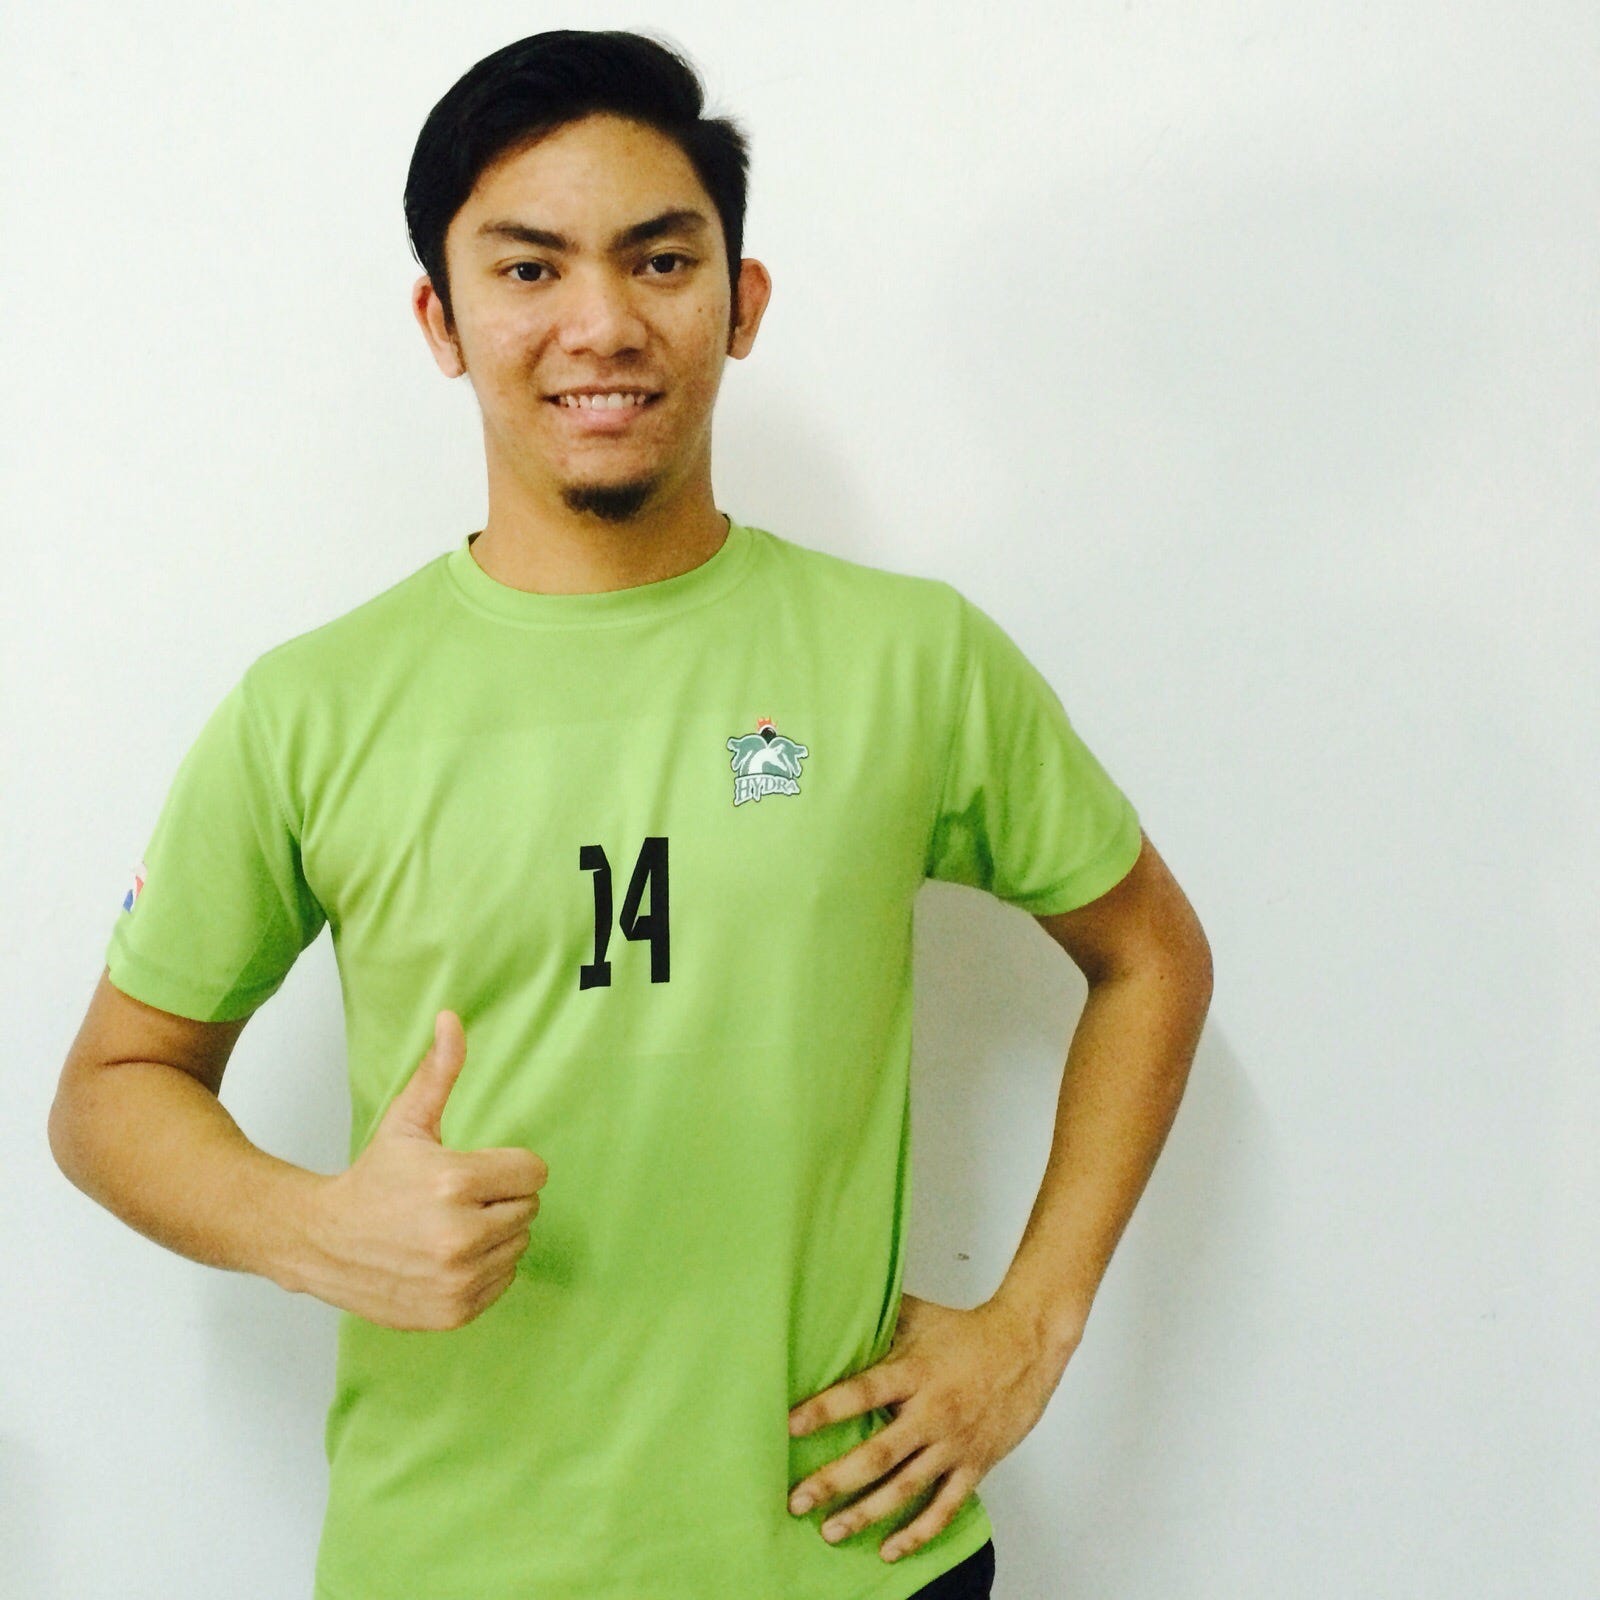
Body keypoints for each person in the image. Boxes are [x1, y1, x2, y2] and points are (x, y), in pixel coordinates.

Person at [48, 28, 1212, 1600]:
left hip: (849, 1559)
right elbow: (113, 1087)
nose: (600, 323)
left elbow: (1151, 956)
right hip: (451, 1565)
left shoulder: (912, 658)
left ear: (742, 301)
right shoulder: (309, 708)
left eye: (660, 260)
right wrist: (314, 1227)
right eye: (528, 269)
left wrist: (1032, 1328)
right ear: (440, 319)